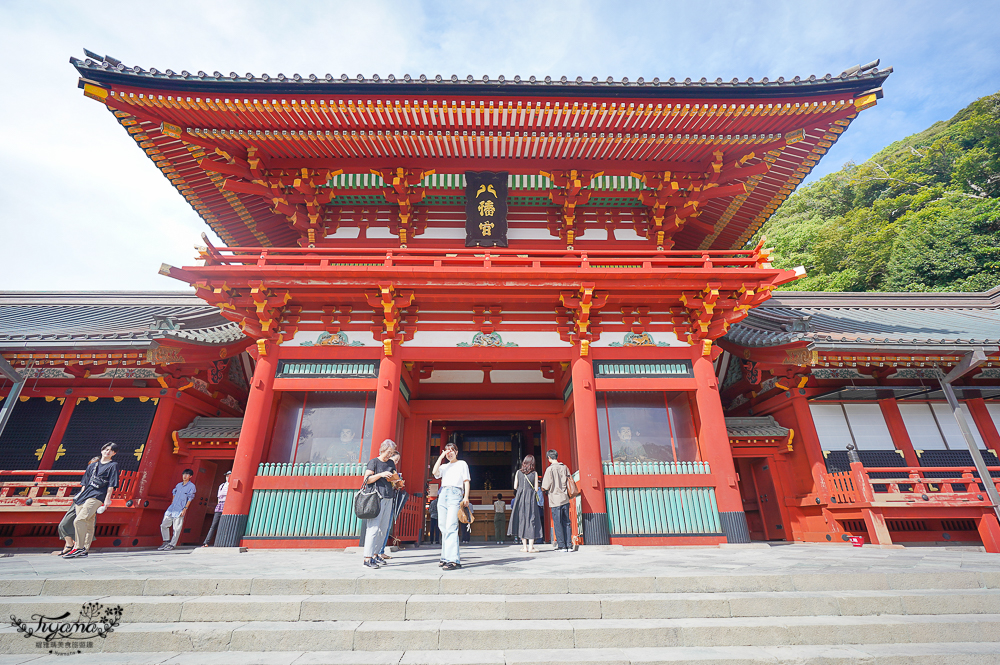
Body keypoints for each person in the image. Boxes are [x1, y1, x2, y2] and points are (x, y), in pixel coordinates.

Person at [63, 444, 119, 559]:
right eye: (106, 449)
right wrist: (80, 496)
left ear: (114, 453)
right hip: (85, 495)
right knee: (88, 522)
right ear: (102, 450)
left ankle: (78, 547)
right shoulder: (92, 466)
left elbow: (111, 484)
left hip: (98, 495)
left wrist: (107, 499)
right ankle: (85, 550)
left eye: (111, 451)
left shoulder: (113, 465)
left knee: (79, 520)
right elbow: (85, 482)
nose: (108, 452)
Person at [432, 441, 470, 570]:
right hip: (443, 494)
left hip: (455, 493)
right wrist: (441, 457)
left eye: (452, 450)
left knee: (451, 526)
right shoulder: (444, 467)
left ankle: (453, 560)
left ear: (456, 452)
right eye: (447, 451)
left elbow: (466, 481)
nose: (449, 453)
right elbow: (434, 472)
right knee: (443, 526)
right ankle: (444, 556)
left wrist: (466, 496)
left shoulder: (462, 464)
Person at [362, 439, 398, 569]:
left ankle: (376, 554)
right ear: (382, 449)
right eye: (389, 452)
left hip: (389, 496)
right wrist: (381, 474)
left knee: (383, 530)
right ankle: (367, 557)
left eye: (392, 453)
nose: (390, 455)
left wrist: (396, 481)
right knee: (373, 528)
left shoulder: (391, 463)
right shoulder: (374, 462)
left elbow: (394, 478)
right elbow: (367, 479)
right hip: (377, 497)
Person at [55, 455, 99, 556]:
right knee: (64, 524)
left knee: (85, 524)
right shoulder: (87, 474)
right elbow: (83, 487)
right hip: (80, 499)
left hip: (92, 500)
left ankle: (82, 548)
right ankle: (69, 544)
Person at [508, 454, 543, 552]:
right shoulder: (534, 473)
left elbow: (515, 486)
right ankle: (531, 547)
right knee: (531, 520)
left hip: (520, 498)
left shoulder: (518, 472)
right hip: (530, 498)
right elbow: (536, 488)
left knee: (522, 520)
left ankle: (524, 547)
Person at [376, 452, 407, 561]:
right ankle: (377, 551)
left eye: (398, 460)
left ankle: (381, 550)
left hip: (391, 499)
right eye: (395, 460)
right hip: (382, 498)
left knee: (386, 526)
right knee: (380, 526)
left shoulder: (393, 470)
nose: (396, 462)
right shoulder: (384, 468)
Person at [541, 450, 573, 552]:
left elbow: (545, 486)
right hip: (565, 498)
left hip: (555, 499)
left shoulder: (549, 470)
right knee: (567, 522)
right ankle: (569, 544)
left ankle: (562, 545)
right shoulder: (565, 467)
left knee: (557, 522)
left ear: (549, 458)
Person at [159, 469, 197, 551]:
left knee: (176, 528)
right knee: (163, 525)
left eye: (187, 475)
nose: (185, 476)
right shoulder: (178, 485)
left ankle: (172, 544)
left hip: (180, 508)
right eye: (184, 474)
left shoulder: (191, 486)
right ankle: (166, 541)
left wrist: (185, 508)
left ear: (190, 476)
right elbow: (174, 493)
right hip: (172, 509)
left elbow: (190, 498)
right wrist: (172, 502)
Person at [201, 470, 231, 547]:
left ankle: (223, 542)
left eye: (229, 475)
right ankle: (206, 542)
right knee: (214, 525)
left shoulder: (232, 485)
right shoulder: (221, 486)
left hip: (227, 504)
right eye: (227, 476)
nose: (228, 477)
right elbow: (218, 497)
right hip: (220, 505)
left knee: (225, 525)